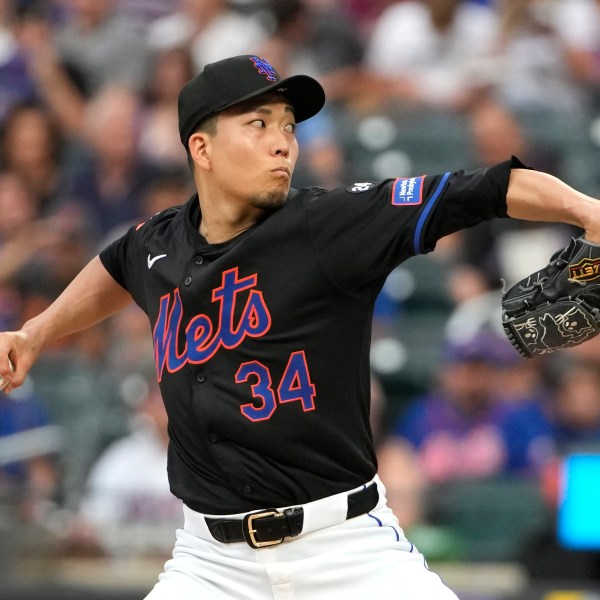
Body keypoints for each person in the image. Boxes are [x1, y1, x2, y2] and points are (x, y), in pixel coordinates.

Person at [1, 54, 600, 599]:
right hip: (211, 564)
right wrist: (37, 333)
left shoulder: (330, 224)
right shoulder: (158, 243)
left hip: (346, 549)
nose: (283, 142)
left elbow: (485, 189)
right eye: (258, 124)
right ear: (202, 148)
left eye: (288, 125)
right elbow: (114, 268)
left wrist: (586, 210)